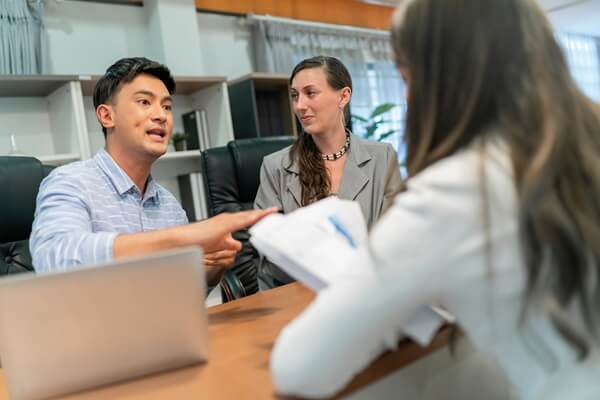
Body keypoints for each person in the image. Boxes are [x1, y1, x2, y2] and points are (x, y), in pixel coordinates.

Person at [269, 0, 600, 398]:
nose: (408, 98)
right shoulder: (581, 150)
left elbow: (298, 368)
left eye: (408, 77)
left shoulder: (455, 188)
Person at [30, 57, 275, 287]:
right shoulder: (69, 182)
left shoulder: (168, 205)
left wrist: (212, 268)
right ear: (107, 116)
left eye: (167, 106)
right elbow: (55, 258)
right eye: (144, 102)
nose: (161, 116)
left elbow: (179, 293)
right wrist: (182, 237)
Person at [255, 56, 403, 287]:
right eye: (295, 95)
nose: (299, 105)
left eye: (310, 93)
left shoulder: (382, 157)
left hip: (371, 292)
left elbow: (396, 239)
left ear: (343, 96)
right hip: (301, 297)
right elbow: (268, 255)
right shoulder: (275, 167)